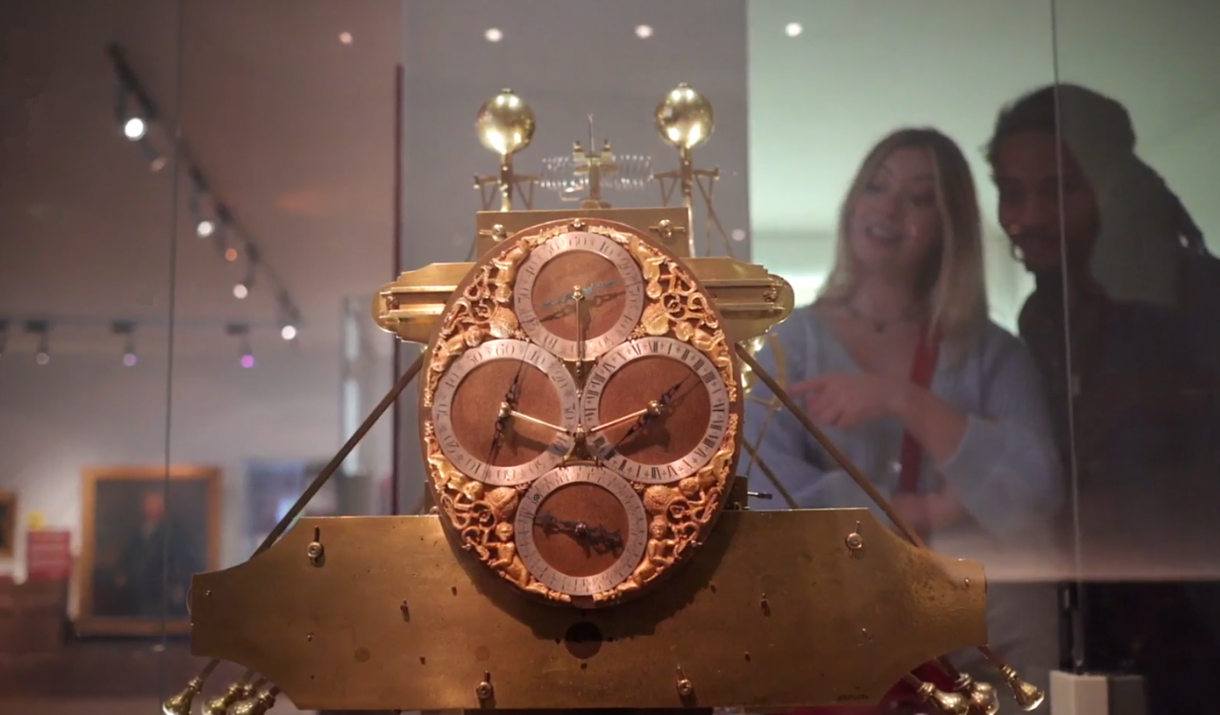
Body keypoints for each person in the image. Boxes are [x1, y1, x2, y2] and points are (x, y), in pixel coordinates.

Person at [743, 127, 1065, 712]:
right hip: (843, 632)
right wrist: (921, 512)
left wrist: (904, 398)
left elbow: (1035, 491)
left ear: (949, 226)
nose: (889, 207)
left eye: (919, 198)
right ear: (852, 206)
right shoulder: (793, 345)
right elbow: (755, 486)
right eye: (876, 186)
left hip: (994, 632)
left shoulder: (995, 353)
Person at [985, 84, 1220, 715]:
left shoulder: (1197, 291)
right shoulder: (1041, 315)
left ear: (1108, 186)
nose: (1025, 217)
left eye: (1057, 189)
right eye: (1011, 191)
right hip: (1093, 621)